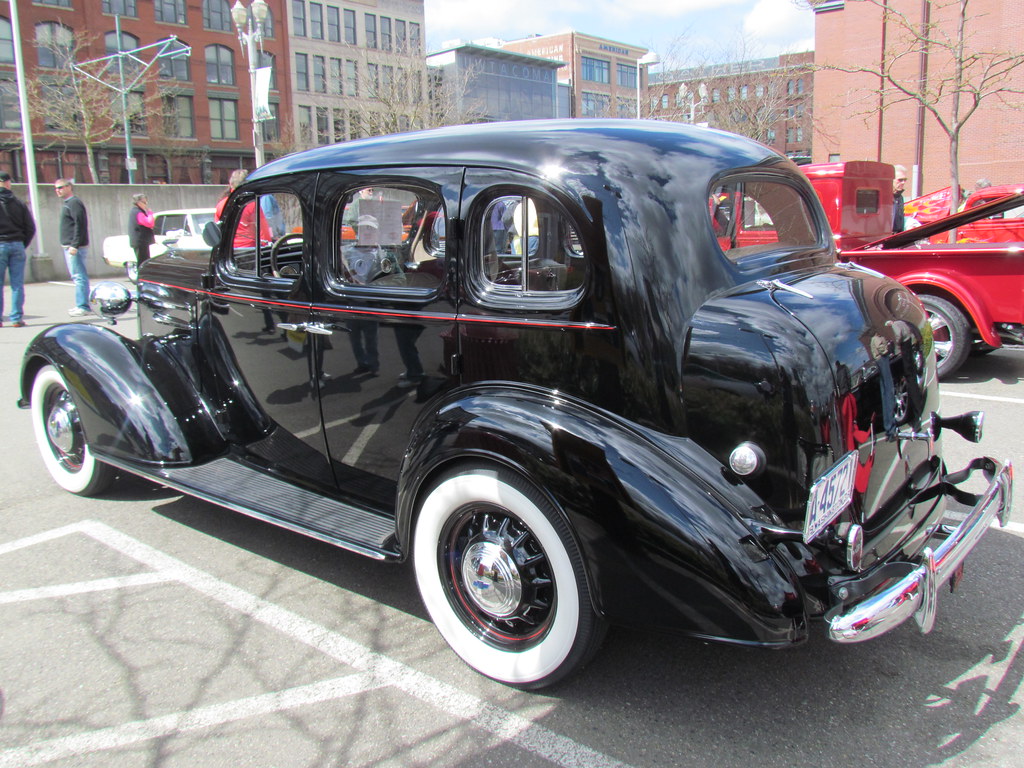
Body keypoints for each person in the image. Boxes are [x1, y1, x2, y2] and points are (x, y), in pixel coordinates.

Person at [0, 170, 36, 328]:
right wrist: (22, 243)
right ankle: (16, 318)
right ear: (8, 183)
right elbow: (30, 227)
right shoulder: (19, 203)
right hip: (17, 244)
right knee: (17, 284)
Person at [55, 178, 91, 317]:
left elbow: (80, 224)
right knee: (77, 276)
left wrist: (74, 245)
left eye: (61, 187)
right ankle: (82, 304)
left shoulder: (74, 203)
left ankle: (83, 306)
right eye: (56, 188)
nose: (58, 190)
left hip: (75, 246)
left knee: (79, 276)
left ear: (69, 187)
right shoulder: (68, 204)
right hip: (70, 245)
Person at [127, 192, 156, 270]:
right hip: (140, 241)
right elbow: (149, 223)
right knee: (143, 262)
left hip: (141, 242)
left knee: (144, 260)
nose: (146, 204)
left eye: (146, 202)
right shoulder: (138, 212)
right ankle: (141, 277)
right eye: (144, 202)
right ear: (138, 202)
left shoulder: (136, 211)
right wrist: (150, 213)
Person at [892, 164, 908, 233]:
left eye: (905, 180)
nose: (903, 182)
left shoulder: (900, 198)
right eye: (900, 180)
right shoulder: (883, 197)